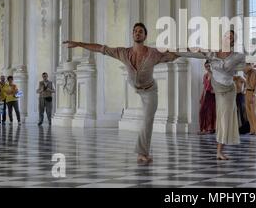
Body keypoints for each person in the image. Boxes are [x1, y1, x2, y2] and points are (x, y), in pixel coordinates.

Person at [64, 22, 179, 164]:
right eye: (135, 31)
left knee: (147, 120)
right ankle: (142, 153)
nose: (137, 33)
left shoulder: (154, 53)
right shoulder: (123, 53)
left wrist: (178, 53)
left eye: (141, 31)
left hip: (150, 91)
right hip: (136, 86)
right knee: (146, 120)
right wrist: (79, 44)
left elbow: (173, 56)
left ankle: (142, 154)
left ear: (145, 35)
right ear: (132, 34)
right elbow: (101, 48)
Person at [176, 30, 256, 160]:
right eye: (226, 36)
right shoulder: (211, 53)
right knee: (221, 118)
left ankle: (219, 151)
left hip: (228, 91)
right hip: (217, 89)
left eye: (231, 38)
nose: (228, 39)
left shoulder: (237, 56)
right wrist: (174, 52)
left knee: (224, 119)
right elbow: (193, 53)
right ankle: (219, 150)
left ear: (233, 42)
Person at [198, 61, 216, 135]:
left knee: (210, 112)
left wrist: (215, 91)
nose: (208, 68)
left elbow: (217, 85)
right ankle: (202, 128)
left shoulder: (215, 75)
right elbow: (204, 87)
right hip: (206, 94)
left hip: (212, 95)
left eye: (209, 66)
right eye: (206, 66)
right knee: (202, 112)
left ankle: (210, 128)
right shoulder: (205, 75)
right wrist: (202, 96)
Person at [244, 63, 256, 136]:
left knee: (253, 112)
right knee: (248, 112)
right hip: (247, 92)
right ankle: (252, 130)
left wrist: (254, 95)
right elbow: (244, 70)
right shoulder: (248, 72)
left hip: (253, 93)